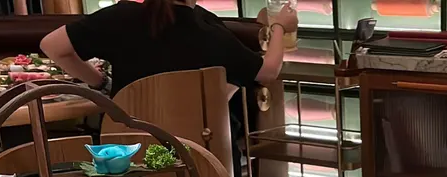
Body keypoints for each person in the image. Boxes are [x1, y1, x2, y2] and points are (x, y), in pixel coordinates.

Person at [40, 0, 297, 95]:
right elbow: (267, 71)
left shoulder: (119, 16)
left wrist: (100, 82)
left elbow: (52, 45)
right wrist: (279, 27)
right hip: (201, 152)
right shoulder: (209, 32)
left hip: (128, 154)